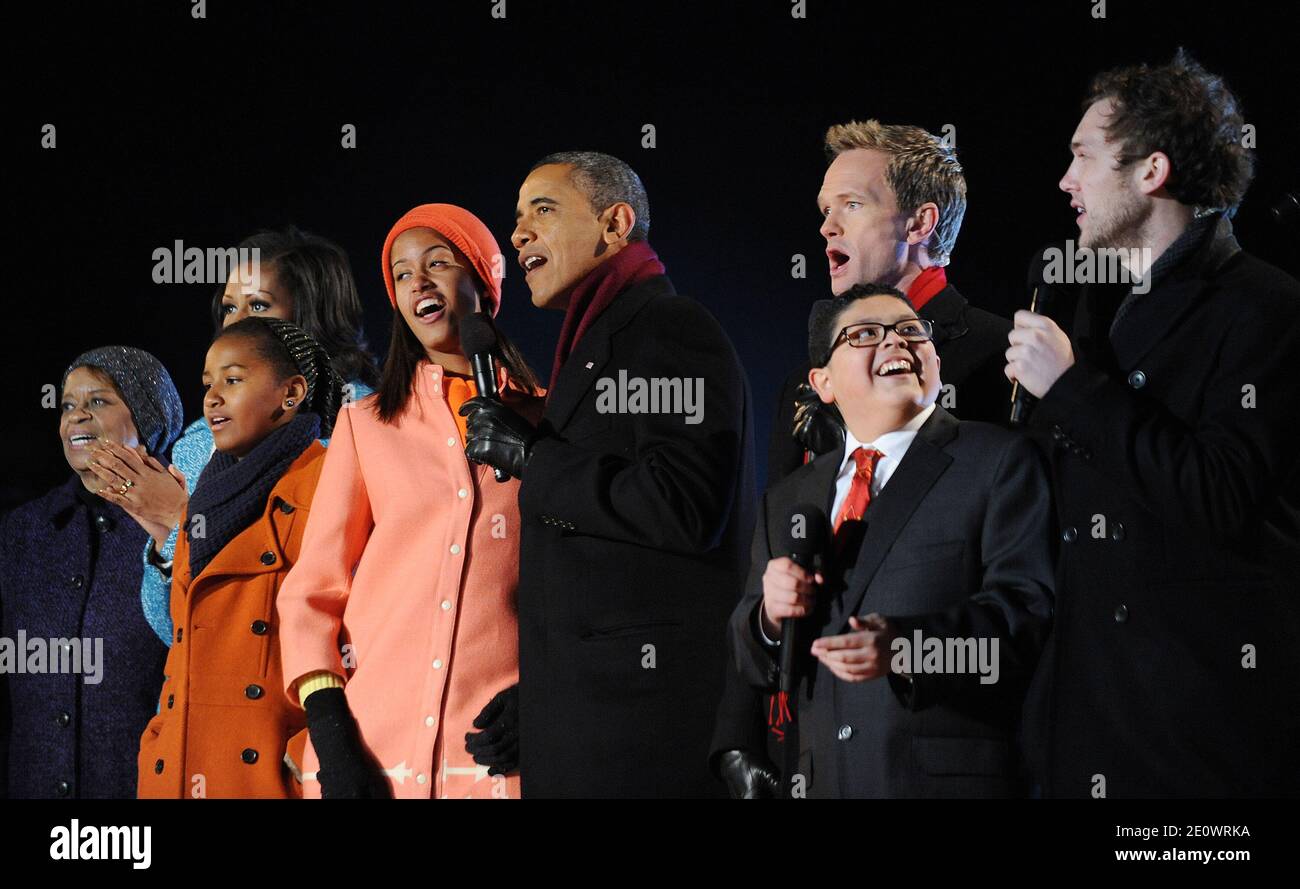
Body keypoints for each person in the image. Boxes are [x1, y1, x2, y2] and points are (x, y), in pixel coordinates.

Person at [1011, 50, 1300, 798]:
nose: (1065, 182)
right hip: (1078, 732)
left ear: (1151, 171)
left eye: (1083, 157)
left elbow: (1221, 493)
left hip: (1194, 744)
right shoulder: (1095, 307)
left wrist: (1071, 387)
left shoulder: (1265, 307)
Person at [714, 120, 1014, 798]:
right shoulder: (808, 379)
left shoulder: (1004, 360)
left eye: (851, 204)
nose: (826, 227)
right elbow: (769, 568)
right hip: (811, 740)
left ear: (921, 220)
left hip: (937, 745)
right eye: (824, 211)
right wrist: (740, 728)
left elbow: (1024, 593)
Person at [461, 150, 756, 797]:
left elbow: (683, 503)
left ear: (616, 224)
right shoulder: (593, 345)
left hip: (646, 733)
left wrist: (533, 459)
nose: (518, 234)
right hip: (588, 727)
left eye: (543, 209)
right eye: (515, 220)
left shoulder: (669, 330)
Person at [730, 283, 1053, 797]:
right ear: (824, 382)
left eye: (910, 331)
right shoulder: (789, 497)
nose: (896, 343)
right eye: (865, 334)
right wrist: (769, 616)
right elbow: (751, 659)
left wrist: (907, 649)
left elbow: (1026, 620)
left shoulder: (998, 460)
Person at [277, 204, 545, 799]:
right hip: (372, 760)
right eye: (401, 275)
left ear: (483, 281)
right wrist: (332, 738)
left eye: (437, 263)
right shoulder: (365, 425)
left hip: (492, 764)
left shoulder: (550, 424)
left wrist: (548, 696)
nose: (417, 282)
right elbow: (312, 594)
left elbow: (583, 591)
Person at [90, 227, 379, 648]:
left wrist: (180, 522)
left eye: (259, 304)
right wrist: (167, 545)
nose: (237, 323)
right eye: (229, 308)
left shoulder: (367, 430)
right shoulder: (198, 442)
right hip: (197, 704)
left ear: (314, 317)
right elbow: (175, 632)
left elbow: (316, 603)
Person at [136, 318, 344, 798]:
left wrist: (317, 749)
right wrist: (158, 739)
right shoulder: (205, 495)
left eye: (233, 379)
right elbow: (181, 642)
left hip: (265, 774)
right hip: (179, 770)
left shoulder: (328, 483)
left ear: (290, 393)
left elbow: (371, 634)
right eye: (208, 384)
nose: (212, 397)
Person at [0, 347, 182, 798]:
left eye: (98, 401)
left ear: (146, 415)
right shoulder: (24, 531)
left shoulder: (186, 521)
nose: (76, 417)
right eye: (67, 406)